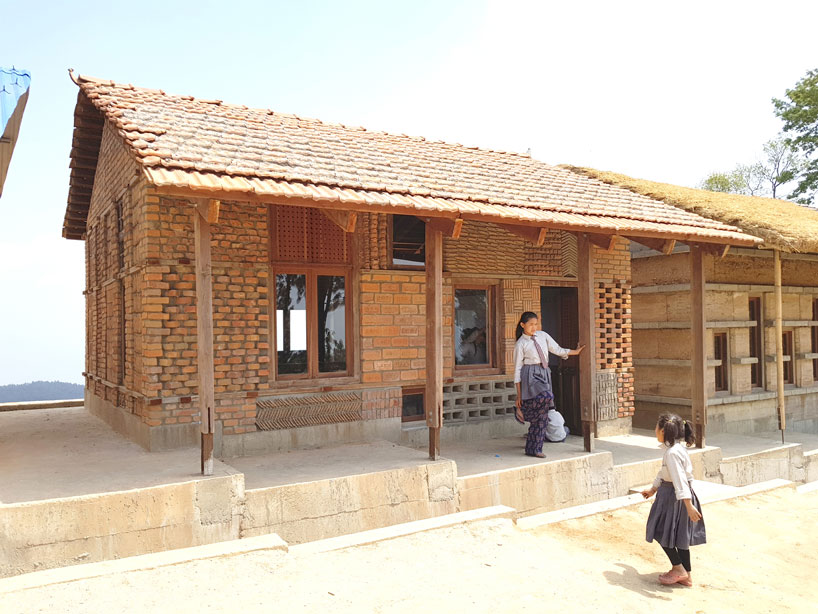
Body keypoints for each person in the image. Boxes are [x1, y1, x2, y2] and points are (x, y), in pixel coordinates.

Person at [640, 413, 706, 587]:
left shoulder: (672, 453)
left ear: (663, 430)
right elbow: (664, 472)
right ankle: (687, 575)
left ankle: (678, 568)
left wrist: (688, 505)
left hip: (674, 497)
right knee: (680, 537)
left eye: (656, 427)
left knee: (660, 530)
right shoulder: (676, 449)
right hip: (679, 496)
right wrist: (653, 489)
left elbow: (679, 480)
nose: (655, 430)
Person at [513, 311, 584, 458]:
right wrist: (519, 395)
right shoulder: (521, 344)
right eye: (531, 324)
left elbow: (556, 349)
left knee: (542, 414)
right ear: (522, 325)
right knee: (546, 396)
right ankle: (524, 408)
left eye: (536, 324)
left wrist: (575, 352)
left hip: (544, 372)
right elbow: (517, 369)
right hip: (530, 375)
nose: (534, 327)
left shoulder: (543, 335)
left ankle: (534, 448)